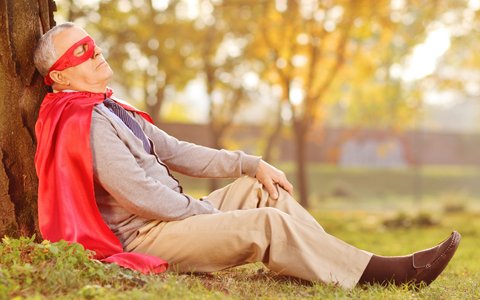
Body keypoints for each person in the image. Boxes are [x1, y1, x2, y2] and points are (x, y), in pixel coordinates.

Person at [33, 22, 461, 290]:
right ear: (60, 75)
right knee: (267, 222)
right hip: (148, 234)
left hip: (175, 216)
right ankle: (383, 274)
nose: (96, 52)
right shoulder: (82, 122)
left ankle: (335, 261)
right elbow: (140, 196)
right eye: (82, 52)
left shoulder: (110, 107)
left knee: (263, 192)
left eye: (92, 43)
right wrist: (203, 213)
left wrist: (250, 163)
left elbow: (179, 152)